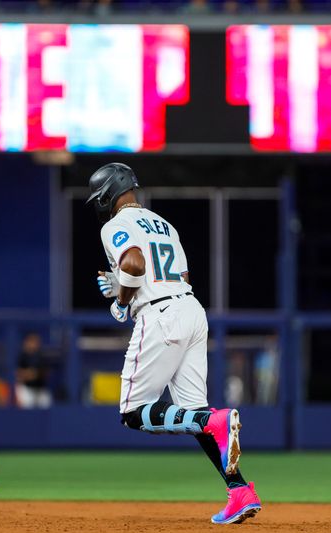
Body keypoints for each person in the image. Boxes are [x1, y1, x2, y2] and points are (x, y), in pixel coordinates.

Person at [87, 162, 261, 525]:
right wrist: (122, 283)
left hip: (160, 316)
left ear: (107, 193)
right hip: (191, 309)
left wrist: (121, 301)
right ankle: (240, 491)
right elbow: (179, 274)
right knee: (194, 415)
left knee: (133, 413)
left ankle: (217, 421)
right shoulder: (164, 224)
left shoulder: (115, 225)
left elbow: (134, 264)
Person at [15, 332, 53, 409]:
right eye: (31, 341)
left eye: (35, 342)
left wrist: (33, 374)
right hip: (27, 388)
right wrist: (31, 374)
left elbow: (45, 372)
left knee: (46, 404)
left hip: (41, 389)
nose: (33, 344)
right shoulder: (22, 356)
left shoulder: (42, 356)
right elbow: (19, 374)